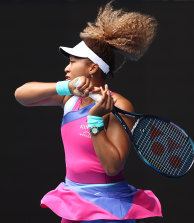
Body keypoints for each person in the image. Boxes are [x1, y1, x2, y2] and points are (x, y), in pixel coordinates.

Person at [15, 2, 162, 223]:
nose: (67, 68)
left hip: (108, 207)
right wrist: (65, 87)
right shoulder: (69, 98)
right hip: (74, 200)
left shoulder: (119, 104)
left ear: (93, 67)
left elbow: (112, 167)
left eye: (73, 62)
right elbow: (21, 95)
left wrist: (95, 120)